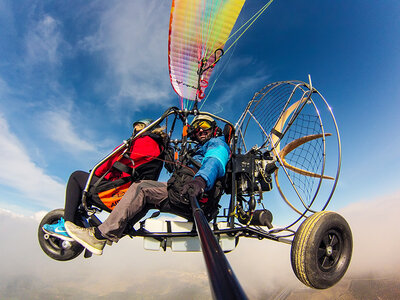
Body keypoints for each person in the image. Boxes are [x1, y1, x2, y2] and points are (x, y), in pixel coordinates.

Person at [65, 115, 230, 255]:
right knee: (147, 195)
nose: (200, 130)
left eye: (205, 126)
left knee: (141, 188)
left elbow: (214, 161)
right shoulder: (199, 149)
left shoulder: (217, 144)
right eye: (197, 128)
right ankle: (111, 233)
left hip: (194, 194)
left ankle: (98, 236)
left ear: (214, 129)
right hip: (186, 193)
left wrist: (201, 181)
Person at [42, 119, 167, 241]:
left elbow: (110, 161)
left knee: (77, 177)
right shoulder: (159, 148)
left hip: (120, 195)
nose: (134, 131)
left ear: (145, 128)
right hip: (134, 200)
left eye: (137, 128)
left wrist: (95, 175)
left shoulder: (141, 142)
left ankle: (66, 226)